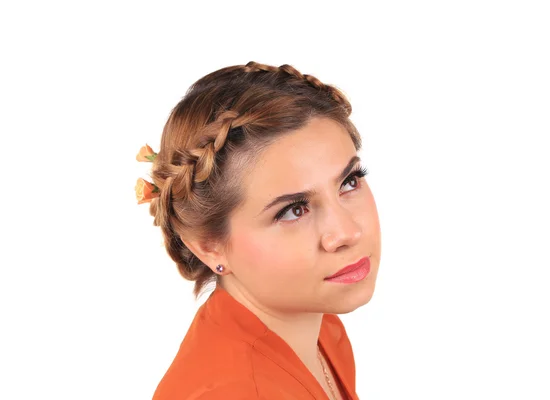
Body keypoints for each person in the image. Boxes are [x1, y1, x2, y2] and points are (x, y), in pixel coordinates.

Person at [135, 61, 382, 400]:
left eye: (349, 182)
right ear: (209, 247)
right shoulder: (232, 391)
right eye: (294, 210)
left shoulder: (318, 327)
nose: (346, 232)